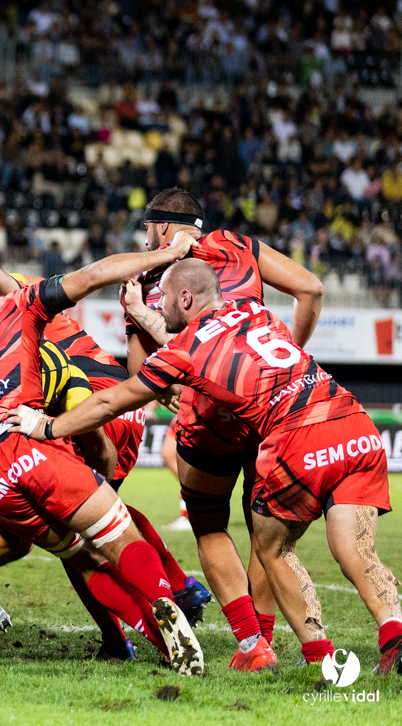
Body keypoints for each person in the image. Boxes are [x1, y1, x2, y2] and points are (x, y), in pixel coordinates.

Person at [10, 259, 402, 678]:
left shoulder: (184, 351)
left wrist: (47, 426)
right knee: (356, 550)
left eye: (162, 299)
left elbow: (112, 400)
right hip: (351, 423)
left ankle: (319, 658)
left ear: (185, 297)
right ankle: (394, 637)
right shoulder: (256, 312)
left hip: (295, 439)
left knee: (272, 549)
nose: (159, 307)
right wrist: (146, 315)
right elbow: (221, 341)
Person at [0, 232, 207, 676]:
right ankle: (168, 598)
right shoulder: (15, 309)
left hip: (3, 449)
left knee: (79, 548)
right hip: (53, 416)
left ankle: (142, 623)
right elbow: (84, 277)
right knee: (106, 524)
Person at [124, 188, 323, 669]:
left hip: (205, 411)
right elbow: (311, 289)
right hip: (265, 405)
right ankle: (270, 636)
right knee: (264, 527)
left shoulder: (144, 271)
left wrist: (162, 390)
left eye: (149, 228)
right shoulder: (239, 244)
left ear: (163, 227)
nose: (147, 237)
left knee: (209, 522)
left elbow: (138, 370)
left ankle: (253, 646)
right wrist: (283, 358)